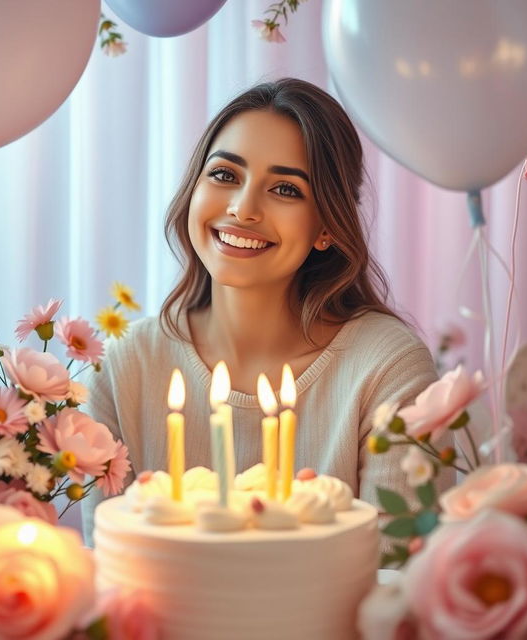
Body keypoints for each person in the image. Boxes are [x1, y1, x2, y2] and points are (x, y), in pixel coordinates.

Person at [82, 77, 451, 541]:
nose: (242, 209)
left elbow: (398, 570)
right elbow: (109, 566)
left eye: (286, 190)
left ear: (327, 227)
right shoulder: (125, 366)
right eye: (224, 175)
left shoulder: (386, 368)